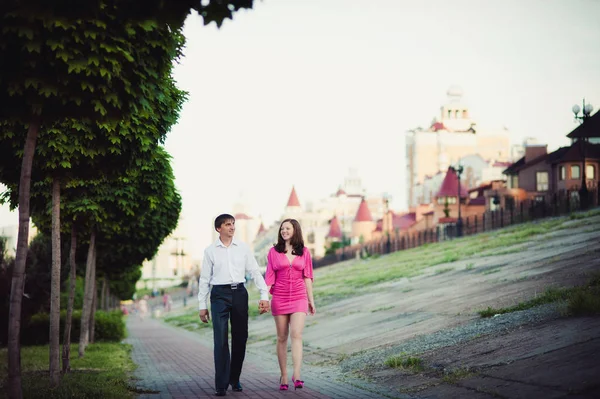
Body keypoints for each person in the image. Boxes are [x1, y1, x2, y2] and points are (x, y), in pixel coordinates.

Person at [198, 213, 270, 397]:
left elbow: (254, 271)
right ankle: (221, 384)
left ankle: (234, 377)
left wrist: (264, 294)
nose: (232, 227)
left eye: (233, 224)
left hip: (239, 293)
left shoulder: (243, 248)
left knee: (240, 337)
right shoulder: (210, 251)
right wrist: (202, 305)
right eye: (228, 224)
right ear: (218, 228)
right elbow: (205, 279)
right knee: (220, 339)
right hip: (219, 295)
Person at [265, 218, 316, 391]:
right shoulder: (273, 252)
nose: (284, 231)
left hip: (299, 297)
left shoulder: (305, 252)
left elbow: (307, 277)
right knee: (281, 337)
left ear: (295, 230)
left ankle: (297, 374)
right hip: (279, 297)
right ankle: (284, 375)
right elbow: (269, 278)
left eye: (287, 228)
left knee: (296, 334)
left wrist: (311, 301)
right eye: (282, 229)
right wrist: (264, 298)